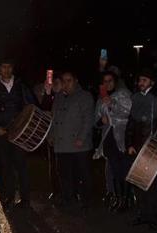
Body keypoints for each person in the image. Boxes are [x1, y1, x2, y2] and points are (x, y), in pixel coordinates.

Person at [125, 68, 157, 230]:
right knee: (139, 181)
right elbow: (131, 122)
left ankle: (152, 216)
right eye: (140, 80)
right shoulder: (137, 98)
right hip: (138, 146)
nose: (140, 83)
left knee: (154, 183)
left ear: (152, 82)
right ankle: (142, 214)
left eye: (144, 80)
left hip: (155, 145)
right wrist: (129, 143)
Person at [0, 57, 36, 208]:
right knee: (5, 166)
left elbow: (32, 105)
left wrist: (26, 125)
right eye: (3, 67)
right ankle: (9, 198)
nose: (6, 70)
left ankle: (25, 200)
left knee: (21, 166)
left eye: (9, 67)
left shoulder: (21, 86)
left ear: (12, 68)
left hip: (19, 132)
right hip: (2, 133)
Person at [49, 71, 95, 210]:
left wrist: (81, 137)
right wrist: (51, 135)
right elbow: (54, 119)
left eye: (69, 80)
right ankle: (67, 198)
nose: (66, 83)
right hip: (62, 143)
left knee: (82, 173)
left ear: (76, 81)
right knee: (64, 174)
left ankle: (85, 199)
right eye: (64, 81)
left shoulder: (85, 96)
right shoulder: (59, 97)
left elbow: (88, 119)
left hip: (78, 144)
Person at [94, 71, 132, 212]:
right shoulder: (102, 98)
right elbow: (97, 118)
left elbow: (127, 113)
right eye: (105, 81)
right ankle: (118, 198)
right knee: (115, 171)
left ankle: (126, 200)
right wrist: (100, 120)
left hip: (121, 138)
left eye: (110, 80)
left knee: (123, 170)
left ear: (115, 81)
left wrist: (112, 104)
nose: (107, 83)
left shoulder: (123, 94)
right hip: (108, 138)